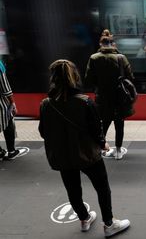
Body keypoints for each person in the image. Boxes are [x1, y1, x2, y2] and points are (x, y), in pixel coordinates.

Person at [38, 59, 130, 237]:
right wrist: (103, 144)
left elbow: (43, 132)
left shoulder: (45, 104)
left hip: (62, 156)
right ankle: (109, 224)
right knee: (102, 187)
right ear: (74, 77)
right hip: (87, 154)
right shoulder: (85, 102)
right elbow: (96, 130)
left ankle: (84, 219)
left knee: (73, 189)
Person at [85, 29, 134, 160]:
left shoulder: (94, 58)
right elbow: (130, 77)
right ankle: (118, 151)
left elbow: (89, 78)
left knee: (103, 122)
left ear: (101, 44)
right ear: (113, 44)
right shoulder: (121, 58)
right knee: (119, 123)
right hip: (119, 97)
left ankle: (100, 147)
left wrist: (99, 86)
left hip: (102, 96)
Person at [0, 60, 22, 161]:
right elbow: (5, 88)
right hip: (1, 105)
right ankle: (12, 151)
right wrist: (12, 103)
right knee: (8, 123)